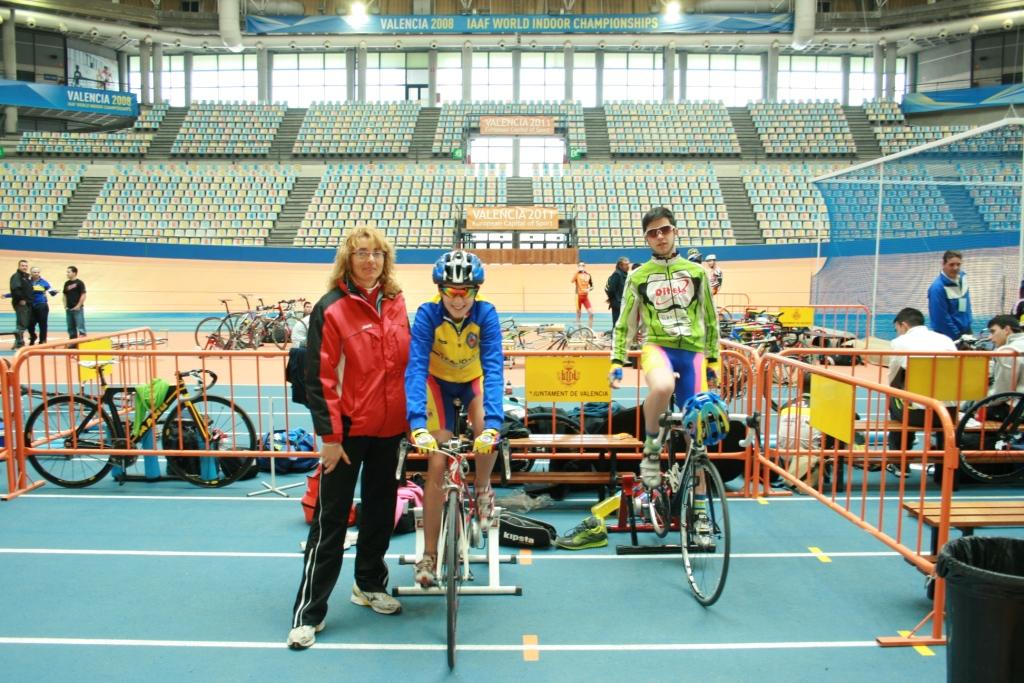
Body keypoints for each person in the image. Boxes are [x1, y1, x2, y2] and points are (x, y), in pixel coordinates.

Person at [288, 227, 411, 651]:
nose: (369, 260)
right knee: (331, 521)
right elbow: (318, 377)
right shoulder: (332, 308)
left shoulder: (397, 302)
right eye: (361, 254)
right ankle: (309, 612)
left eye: (376, 254)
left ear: (385, 259)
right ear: (348, 259)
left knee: (381, 513)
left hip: (391, 429)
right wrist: (329, 436)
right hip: (347, 433)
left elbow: (405, 365)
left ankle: (369, 584)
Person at [405, 250, 504, 587]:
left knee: (485, 434)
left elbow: (493, 369)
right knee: (436, 462)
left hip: (473, 382)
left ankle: (482, 488)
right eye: (451, 291)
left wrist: (493, 423)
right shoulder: (427, 315)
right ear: (440, 290)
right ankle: (429, 557)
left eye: (467, 292)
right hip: (438, 385)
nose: (459, 299)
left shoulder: (486, 314)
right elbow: (416, 368)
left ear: (476, 291)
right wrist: (418, 423)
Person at [608, 207, 720, 489]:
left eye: (665, 230)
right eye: (653, 233)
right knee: (661, 387)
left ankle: (700, 512)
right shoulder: (638, 276)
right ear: (646, 239)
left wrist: (714, 360)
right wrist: (617, 361)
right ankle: (651, 448)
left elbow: (711, 318)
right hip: (658, 348)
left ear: (675, 231)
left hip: (692, 352)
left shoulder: (697, 273)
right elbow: (625, 323)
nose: (660, 237)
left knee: (698, 435)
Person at [886, 307, 956, 451]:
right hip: (950, 413)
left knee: (895, 398)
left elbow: (892, 378)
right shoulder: (946, 340)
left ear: (903, 325)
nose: (897, 333)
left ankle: (900, 461)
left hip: (918, 415)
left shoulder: (900, 342)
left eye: (896, 329)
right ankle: (944, 462)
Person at [927, 250, 972, 341]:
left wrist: (968, 326)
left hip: (966, 332)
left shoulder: (963, 278)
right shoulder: (937, 288)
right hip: (948, 337)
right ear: (943, 264)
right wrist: (958, 337)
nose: (955, 268)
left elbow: (966, 305)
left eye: (958, 264)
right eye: (951, 265)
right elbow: (940, 319)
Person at [987, 314, 1024, 397]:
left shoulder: (1007, 351)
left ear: (1007, 329)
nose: (989, 337)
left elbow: (1001, 394)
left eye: (993, 331)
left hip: (1015, 405)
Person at [27, 267, 58, 345]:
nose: (36, 274)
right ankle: (33, 336)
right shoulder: (27, 282)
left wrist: (55, 292)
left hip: (42, 305)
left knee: (43, 324)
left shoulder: (44, 282)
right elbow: (20, 292)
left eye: (38, 272)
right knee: (30, 324)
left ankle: (43, 341)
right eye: (34, 272)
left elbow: (51, 292)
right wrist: (7, 295)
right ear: (31, 273)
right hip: (31, 306)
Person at [9, 259, 32, 349]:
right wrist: (21, 299)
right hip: (21, 303)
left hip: (27, 303)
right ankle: (19, 343)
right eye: (22, 265)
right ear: (19, 266)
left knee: (22, 323)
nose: (24, 267)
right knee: (22, 324)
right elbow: (16, 289)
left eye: (26, 266)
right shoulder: (16, 276)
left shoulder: (25, 277)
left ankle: (18, 342)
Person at [62, 266, 87, 340]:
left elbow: (83, 295)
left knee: (80, 327)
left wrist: (78, 305)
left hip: (78, 309)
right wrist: (65, 306)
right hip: (69, 309)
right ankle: (72, 343)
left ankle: (82, 342)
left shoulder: (80, 283)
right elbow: (64, 295)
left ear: (74, 273)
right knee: (70, 327)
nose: (67, 273)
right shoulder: (66, 283)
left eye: (68, 272)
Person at [605, 256, 630, 330]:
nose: (628, 266)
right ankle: (615, 340)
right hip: (618, 304)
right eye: (626, 264)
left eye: (628, 264)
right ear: (620, 265)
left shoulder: (624, 274)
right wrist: (613, 300)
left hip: (622, 303)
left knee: (623, 323)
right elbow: (611, 290)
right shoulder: (617, 274)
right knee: (617, 324)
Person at [571, 261, 594, 329]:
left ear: (585, 266)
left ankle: (590, 330)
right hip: (578, 297)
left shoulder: (588, 275)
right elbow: (572, 281)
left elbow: (592, 286)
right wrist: (577, 272)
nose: (581, 267)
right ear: (578, 267)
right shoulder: (577, 274)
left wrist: (589, 289)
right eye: (580, 265)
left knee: (591, 314)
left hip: (585, 297)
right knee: (578, 314)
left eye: (583, 265)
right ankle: (579, 331)